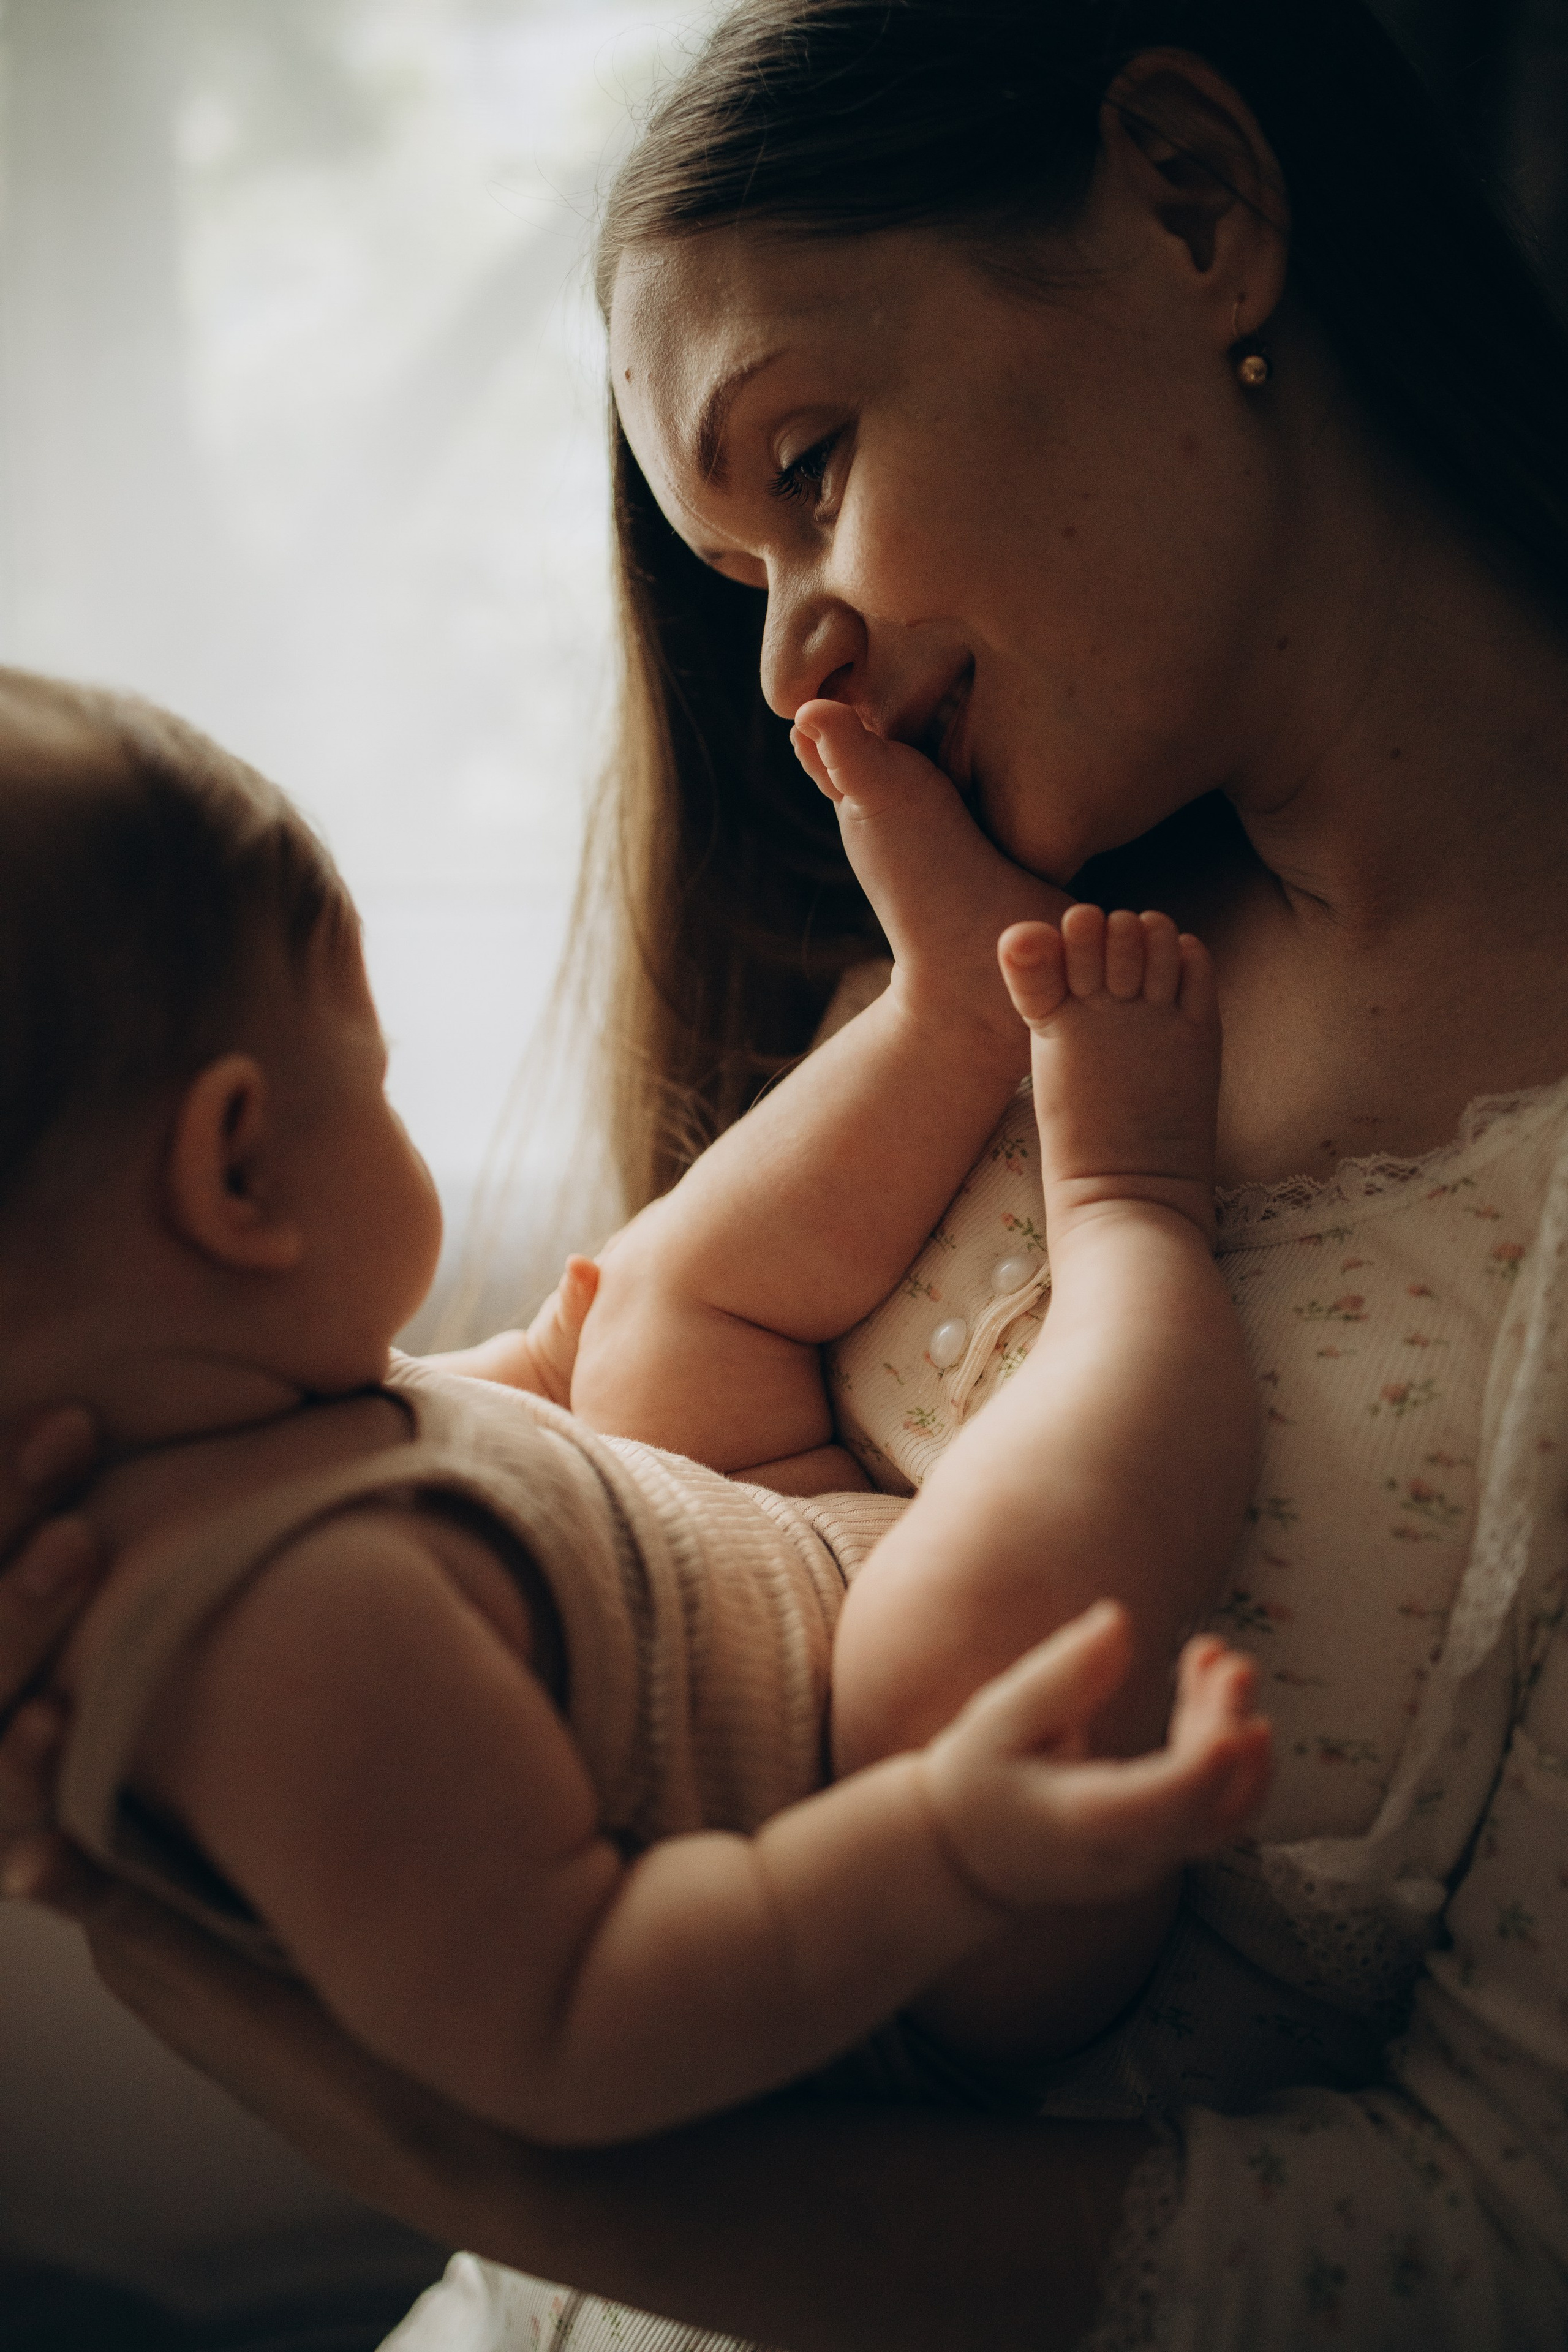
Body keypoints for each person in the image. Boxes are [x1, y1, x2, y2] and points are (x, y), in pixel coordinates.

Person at [6, 0, 1568, 2343]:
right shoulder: (956, 992)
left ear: (1194, 209)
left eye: (807, 462)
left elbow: (1501, 2242)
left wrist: (457, 2140)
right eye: (734, 565)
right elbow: (621, 1464)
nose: (779, 666)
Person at [0, 666, 1265, 2150]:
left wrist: (564, 1357)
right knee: (947, 1647)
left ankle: (954, 1009)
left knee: (625, 1311)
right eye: (378, 1076)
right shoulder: (283, 1644)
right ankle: (1131, 1212)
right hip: (927, 1957)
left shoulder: (254, 1436)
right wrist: (939, 1840)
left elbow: (533, 1458)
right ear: (238, 1176)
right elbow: (577, 2020)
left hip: (773, 1594)